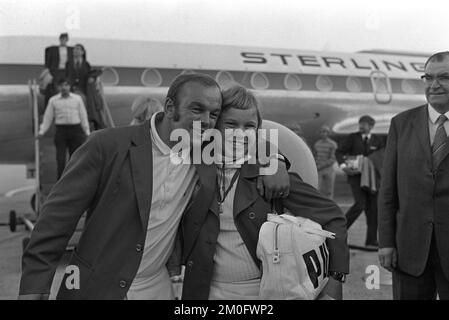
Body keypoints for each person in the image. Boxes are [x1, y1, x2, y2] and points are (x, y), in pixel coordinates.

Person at [19, 73, 290, 300]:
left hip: (156, 286)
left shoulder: (202, 150)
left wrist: (274, 159)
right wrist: (34, 286)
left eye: (213, 114)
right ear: (170, 107)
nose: (207, 120)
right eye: (197, 109)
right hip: (95, 285)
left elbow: (244, 136)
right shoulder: (106, 146)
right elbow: (55, 222)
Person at [180, 85, 349, 300]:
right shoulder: (193, 168)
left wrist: (335, 279)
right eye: (231, 124)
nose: (240, 133)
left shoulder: (267, 173)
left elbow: (334, 217)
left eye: (249, 126)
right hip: (203, 290)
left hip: (260, 292)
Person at [378, 51, 449, 300]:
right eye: (428, 77)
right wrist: (386, 241)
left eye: (444, 77)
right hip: (410, 252)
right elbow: (388, 190)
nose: (434, 85)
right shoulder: (401, 123)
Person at [336, 115, 384, 248]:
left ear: (371, 126)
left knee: (373, 209)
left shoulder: (377, 140)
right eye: (360, 123)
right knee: (360, 204)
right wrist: (344, 167)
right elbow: (339, 152)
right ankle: (338, 233)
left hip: (372, 180)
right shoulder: (352, 137)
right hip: (355, 177)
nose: (361, 126)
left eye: (364, 124)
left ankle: (371, 240)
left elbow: (382, 156)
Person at [38, 78, 90, 179]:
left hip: (76, 131)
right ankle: (60, 183)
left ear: (70, 87)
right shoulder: (53, 100)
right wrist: (42, 131)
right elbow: (48, 117)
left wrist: (87, 131)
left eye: (66, 85)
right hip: (61, 131)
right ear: (58, 87)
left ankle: (73, 181)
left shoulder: (77, 99)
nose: (64, 87)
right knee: (60, 159)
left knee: (75, 158)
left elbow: (83, 115)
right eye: (61, 85)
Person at [44, 33, 73, 104]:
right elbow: (48, 62)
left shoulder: (71, 49)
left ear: (67, 40)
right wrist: (48, 70)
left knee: (67, 85)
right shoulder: (53, 49)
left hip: (67, 71)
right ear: (59, 39)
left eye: (65, 39)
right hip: (56, 71)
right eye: (62, 39)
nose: (63, 40)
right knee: (57, 88)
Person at [313, 125, 337, 198]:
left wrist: (321, 166)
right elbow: (315, 156)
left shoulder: (332, 144)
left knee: (329, 190)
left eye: (325, 132)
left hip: (328, 169)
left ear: (328, 133)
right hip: (319, 170)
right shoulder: (317, 144)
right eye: (322, 132)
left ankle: (329, 205)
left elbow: (332, 159)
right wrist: (316, 165)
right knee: (317, 189)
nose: (323, 133)